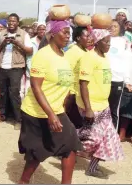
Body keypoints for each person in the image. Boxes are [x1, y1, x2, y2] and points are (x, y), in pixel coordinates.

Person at [18, 20, 82, 184]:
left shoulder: (64, 56)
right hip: (36, 112)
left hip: (56, 110)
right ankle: (24, 181)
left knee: (70, 144)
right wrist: (51, 115)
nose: (68, 36)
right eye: (64, 32)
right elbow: (36, 86)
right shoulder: (43, 55)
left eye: (69, 33)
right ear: (53, 34)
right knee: (36, 153)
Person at [76, 29, 123, 179]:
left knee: (107, 137)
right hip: (91, 106)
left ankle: (93, 168)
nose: (108, 44)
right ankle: (65, 144)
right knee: (92, 138)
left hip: (103, 105)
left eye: (110, 42)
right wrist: (88, 108)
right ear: (97, 42)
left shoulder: (104, 57)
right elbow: (83, 84)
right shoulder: (89, 58)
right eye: (106, 41)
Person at [0, 13, 33, 129]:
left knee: (14, 93)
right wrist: (3, 43)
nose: (11, 23)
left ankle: (18, 119)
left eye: (14, 21)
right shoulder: (2, 33)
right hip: (2, 67)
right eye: (9, 21)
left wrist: (17, 43)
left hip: (16, 68)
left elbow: (30, 51)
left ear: (18, 22)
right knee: (3, 92)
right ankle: (3, 115)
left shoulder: (23, 34)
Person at [64, 26, 91, 128]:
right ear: (78, 38)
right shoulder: (72, 52)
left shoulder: (86, 52)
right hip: (73, 94)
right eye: (87, 36)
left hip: (82, 94)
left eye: (90, 36)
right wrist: (69, 93)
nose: (89, 38)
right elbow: (66, 72)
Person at [107, 20, 130, 129]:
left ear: (120, 29)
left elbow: (127, 61)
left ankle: (113, 135)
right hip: (103, 79)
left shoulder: (124, 42)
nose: (112, 28)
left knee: (113, 108)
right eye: (110, 26)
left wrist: (127, 80)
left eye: (115, 26)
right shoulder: (102, 39)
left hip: (117, 79)